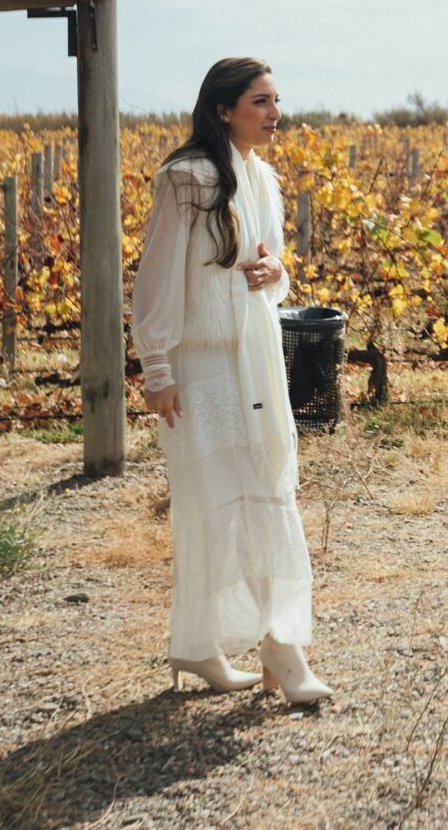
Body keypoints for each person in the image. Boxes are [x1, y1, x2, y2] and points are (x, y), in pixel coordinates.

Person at [132, 57, 330, 704]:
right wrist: (156, 368)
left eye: (277, 100)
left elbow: (273, 271)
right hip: (203, 367)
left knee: (268, 491)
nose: (275, 113)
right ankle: (266, 649)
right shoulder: (185, 179)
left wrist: (279, 279)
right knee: (214, 504)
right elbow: (157, 280)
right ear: (223, 108)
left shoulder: (262, 177)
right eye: (260, 102)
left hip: (257, 357)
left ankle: (231, 646)